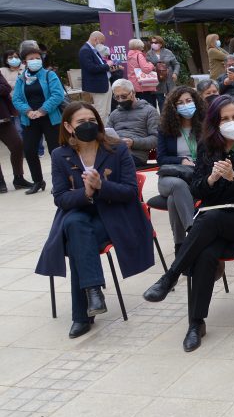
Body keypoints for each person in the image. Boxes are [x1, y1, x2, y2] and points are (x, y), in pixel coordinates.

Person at [143, 95, 234, 351]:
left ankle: (170, 276)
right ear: (215, 122)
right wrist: (212, 180)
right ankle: (196, 323)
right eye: (224, 119)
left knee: (210, 221)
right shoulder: (207, 147)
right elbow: (197, 189)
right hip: (216, 216)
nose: (231, 122)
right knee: (205, 252)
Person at [37, 102, 154, 338]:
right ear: (68, 127)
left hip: (115, 215)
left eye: (92, 120)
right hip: (80, 212)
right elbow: (60, 198)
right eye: (81, 122)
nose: (88, 125)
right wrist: (87, 193)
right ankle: (92, 292)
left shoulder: (117, 149)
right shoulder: (60, 155)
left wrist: (101, 186)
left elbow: (130, 191)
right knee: (75, 225)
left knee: (76, 238)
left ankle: (84, 310)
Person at [156, 86, 205, 251]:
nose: (185, 105)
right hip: (171, 177)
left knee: (173, 200)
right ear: (173, 107)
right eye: (180, 103)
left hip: (196, 176)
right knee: (177, 186)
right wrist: (181, 160)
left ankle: (180, 246)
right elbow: (161, 158)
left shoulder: (204, 126)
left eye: (189, 101)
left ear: (196, 102)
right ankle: (193, 231)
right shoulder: (165, 129)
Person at [13, 44, 64, 194]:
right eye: (31, 58)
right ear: (24, 62)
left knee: (56, 151)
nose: (36, 60)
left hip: (50, 118)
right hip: (30, 119)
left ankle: (60, 182)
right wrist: (28, 111)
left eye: (38, 58)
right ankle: (38, 181)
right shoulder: (21, 78)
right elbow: (16, 99)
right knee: (29, 150)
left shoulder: (49, 75)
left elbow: (58, 95)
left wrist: (42, 110)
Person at [107, 79, 160, 168]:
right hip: (113, 152)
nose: (120, 100)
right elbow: (106, 135)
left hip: (135, 155)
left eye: (123, 96)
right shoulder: (114, 114)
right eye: (117, 97)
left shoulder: (150, 111)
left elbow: (156, 139)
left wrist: (133, 142)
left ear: (133, 92)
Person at [0, 67, 28, 192]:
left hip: (3, 118)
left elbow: (6, 88)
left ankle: (19, 178)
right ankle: (0, 182)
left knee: (17, 145)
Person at [79, 31, 112, 119]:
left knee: (106, 111)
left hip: (105, 83)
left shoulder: (93, 50)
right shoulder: (85, 50)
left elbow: (99, 64)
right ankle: (100, 127)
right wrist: (107, 65)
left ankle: (106, 127)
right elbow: (91, 68)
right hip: (98, 86)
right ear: (95, 39)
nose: (102, 45)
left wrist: (109, 67)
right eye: (101, 42)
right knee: (101, 112)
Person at [146, 36, 179, 108]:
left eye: (155, 42)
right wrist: (156, 69)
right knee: (161, 102)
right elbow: (147, 66)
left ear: (161, 44)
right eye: (152, 42)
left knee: (172, 100)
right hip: (157, 81)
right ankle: (163, 115)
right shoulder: (149, 53)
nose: (153, 44)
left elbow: (176, 64)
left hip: (169, 80)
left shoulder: (168, 52)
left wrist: (175, 73)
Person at [125, 39, 158, 105]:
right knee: (147, 104)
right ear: (138, 46)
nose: (143, 47)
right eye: (141, 46)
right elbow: (146, 69)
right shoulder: (139, 55)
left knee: (138, 104)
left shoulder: (130, 55)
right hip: (142, 84)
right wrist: (151, 64)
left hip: (134, 83)